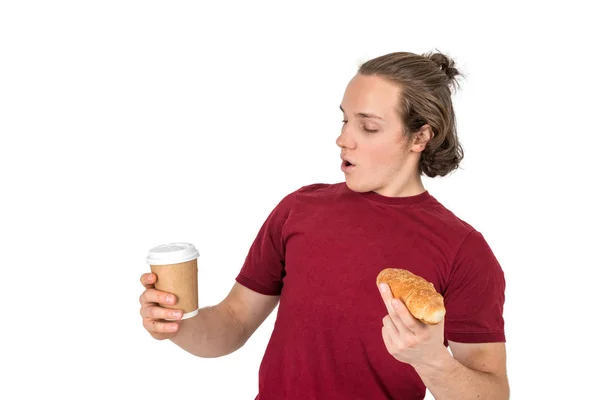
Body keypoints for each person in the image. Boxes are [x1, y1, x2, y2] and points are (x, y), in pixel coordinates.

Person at [139, 50, 509, 400]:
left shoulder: (463, 249)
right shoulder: (300, 208)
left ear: (420, 137)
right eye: (345, 119)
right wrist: (175, 322)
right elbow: (233, 322)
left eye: (368, 127)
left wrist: (432, 361)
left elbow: (492, 392)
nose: (343, 139)